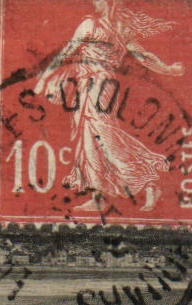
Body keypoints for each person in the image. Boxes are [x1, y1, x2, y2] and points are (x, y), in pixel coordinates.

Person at [32, 0, 183, 213]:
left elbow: (67, 53)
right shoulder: (117, 29)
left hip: (98, 85)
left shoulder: (95, 26)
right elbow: (144, 58)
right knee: (91, 136)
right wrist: (168, 69)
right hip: (95, 84)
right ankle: (100, 195)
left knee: (101, 136)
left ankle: (146, 181)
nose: (96, 2)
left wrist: (45, 78)